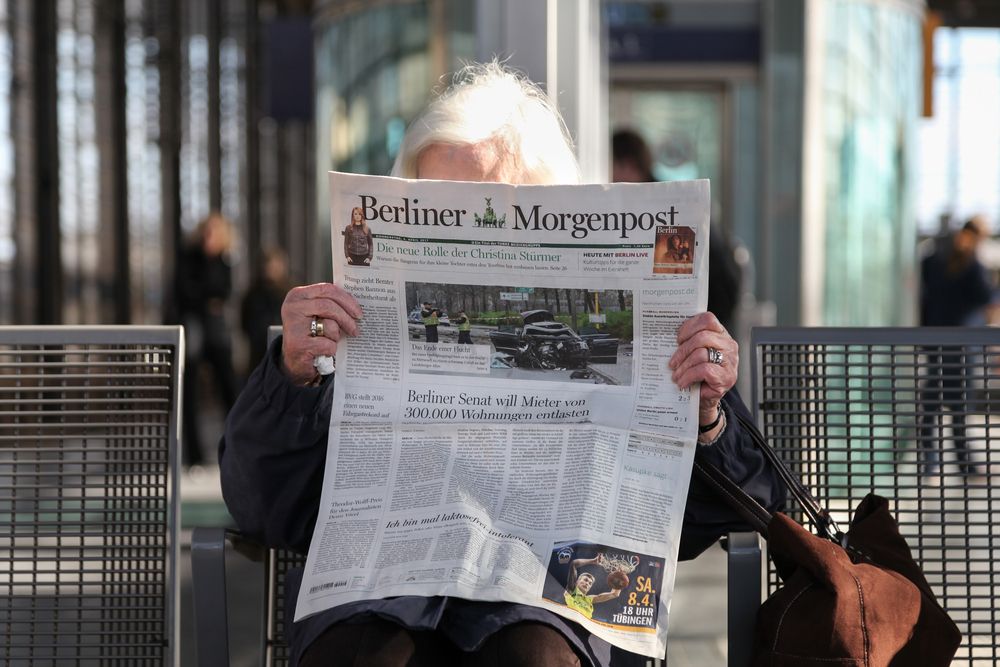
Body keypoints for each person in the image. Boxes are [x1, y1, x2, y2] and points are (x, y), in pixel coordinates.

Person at [221, 62, 784, 667]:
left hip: (556, 599)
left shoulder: (650, 332)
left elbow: (743, 506)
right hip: (383, 596)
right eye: (439, 201)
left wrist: (705, 421)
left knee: (535, 654)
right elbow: (260, 506)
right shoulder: (344, 330)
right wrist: (291, 381)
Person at [612, 128, 741, 332]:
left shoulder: (670, 206)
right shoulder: (659, 200)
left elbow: (720, 281)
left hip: (707, 323)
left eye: (609, 167)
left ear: (627, 165)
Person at [918, 215, 996, 475]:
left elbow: (927, 293)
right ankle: (964, 465)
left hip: (937, 344)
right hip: (963, 348)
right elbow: (986, 297)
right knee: (959, 409)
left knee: (931, 405)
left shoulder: (935, 259)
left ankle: (930, 463)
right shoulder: (972, 265)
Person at [176, 211, 238, 467]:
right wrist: (208, 300)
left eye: (215, 232)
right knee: (189, 391)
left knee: (230, 388)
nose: (209, 237)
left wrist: (208, 297)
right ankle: (195, 457)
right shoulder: (190, 258)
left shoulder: (223, 261)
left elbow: (224, 292)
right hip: (195, 330)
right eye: (206, 232)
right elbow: (186, 292)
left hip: (216, 331)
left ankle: (237, 447)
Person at [240, 247, 293, 374]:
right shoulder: (253, 293)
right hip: (258, 350)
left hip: (284, 348)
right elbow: (244, 321)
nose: (270, 270)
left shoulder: (290, 292)